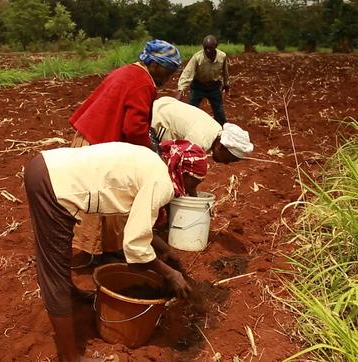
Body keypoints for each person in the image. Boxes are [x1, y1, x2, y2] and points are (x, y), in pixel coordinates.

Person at [24, 141, 207, 362]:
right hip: (52, 185)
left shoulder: (156, 164)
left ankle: (71, 293)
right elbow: (134, 246)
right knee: (54, 272)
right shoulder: (162, 184)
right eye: (193, 182)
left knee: (59, 258)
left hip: (49, 168)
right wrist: (169, 273)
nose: (191, 190)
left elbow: (134, 220)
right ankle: (70, 357)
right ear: (182, 170)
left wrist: (166, 250)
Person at [68, 39, 182, 260]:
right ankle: (92, 254)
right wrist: (150, 154)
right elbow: (134, 128)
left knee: (101, 200)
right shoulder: (143, 83)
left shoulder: (127, 71)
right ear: (155, 65)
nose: (168, 79)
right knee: (104, 199)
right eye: (168, 72)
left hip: (90, 136)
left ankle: (106, 250)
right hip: (99, 144)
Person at [152, 96, 254, 164]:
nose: (226, 163)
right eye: (228, 159)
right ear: (222, 147)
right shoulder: (200, 142)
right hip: (153, 121)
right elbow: (178, 167)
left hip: (162, 105)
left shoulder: (215, 128)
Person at [176, 35, 229, 125]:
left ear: (215, 47)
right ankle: (187, 126)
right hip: (198, 86)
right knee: (191, 109)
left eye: (210, 48)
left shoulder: (222, 56)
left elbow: (225, 71)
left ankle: (222, 130)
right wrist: (180, 90)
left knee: (219, 112)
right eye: (205, 48)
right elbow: (187, 73)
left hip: (214, 87)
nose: (208, 51)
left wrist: (226, 83)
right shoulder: (197, 57)